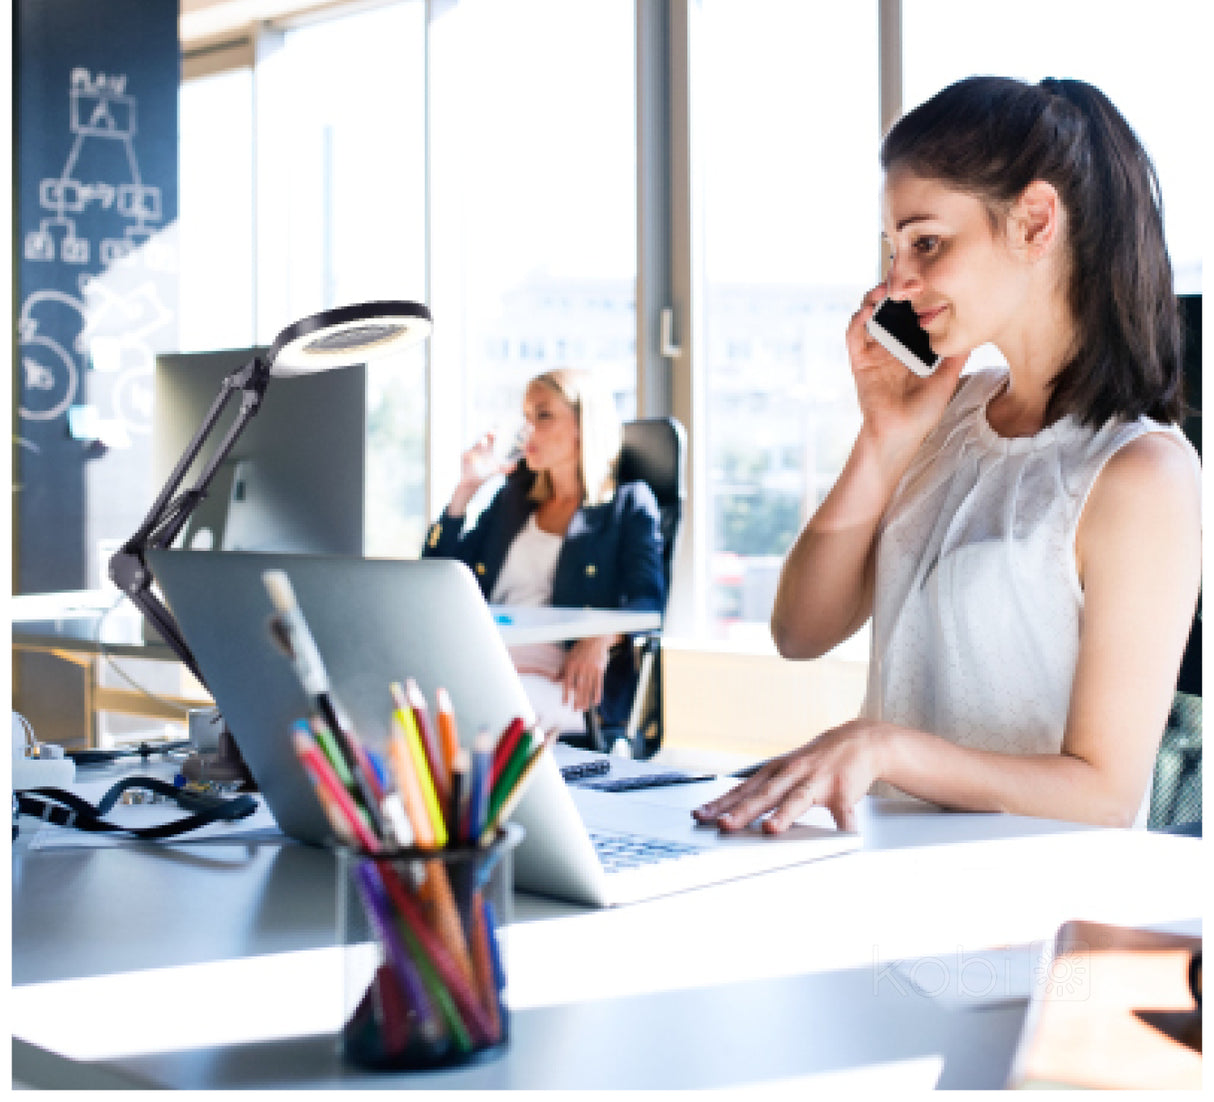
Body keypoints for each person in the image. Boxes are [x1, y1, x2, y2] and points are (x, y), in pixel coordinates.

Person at [695, 76, 1200, 835]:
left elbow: (1105, 794)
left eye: (926, 242)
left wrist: (887, 750)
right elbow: (800, 631)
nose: (898, 281)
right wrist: (884, 438)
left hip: (1020, 924)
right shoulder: (950, 409)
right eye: (895, 249)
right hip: (886, 880)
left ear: (1034, 222)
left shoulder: (1140, 474)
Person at [423, 368, 665, 738]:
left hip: (562, 676)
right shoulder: (514, 499)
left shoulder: (627, 504)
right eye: (526, 418)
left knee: (472, 715)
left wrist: (602, 635)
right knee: (405, 701)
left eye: (543, 415)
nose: (527, 430)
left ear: (583, 425)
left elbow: (648, 602)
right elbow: (437, 579)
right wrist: (465, 491)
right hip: (483, 657)